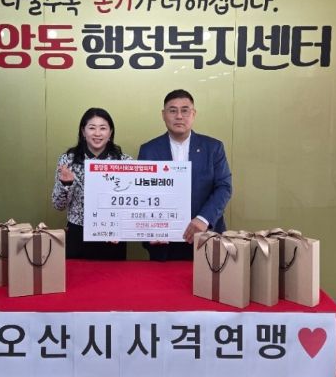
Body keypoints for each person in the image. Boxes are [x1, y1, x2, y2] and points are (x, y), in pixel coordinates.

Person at [138, 89, 232, 261]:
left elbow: (224, 187)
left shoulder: (213, 148)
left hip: (205, 236)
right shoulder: (148, 150)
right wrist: (151, 229)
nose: (179, 116)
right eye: (173, 111)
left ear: (193, 114)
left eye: (185, 110)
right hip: (163, 242)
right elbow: (142, 193)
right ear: (163, 115)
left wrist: (204, 219)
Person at [52, 108, 132, 260]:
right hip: (78, 234)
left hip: (112, 234)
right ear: (83, 131)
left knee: (113, 275)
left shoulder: (124, 161)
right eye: (92, 128)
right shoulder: (68, 160)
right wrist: (66, 183)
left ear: (110, 132)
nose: (97, 133)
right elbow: (58, 205)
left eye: (103, 128)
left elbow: (131, 204)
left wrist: (121, 228)